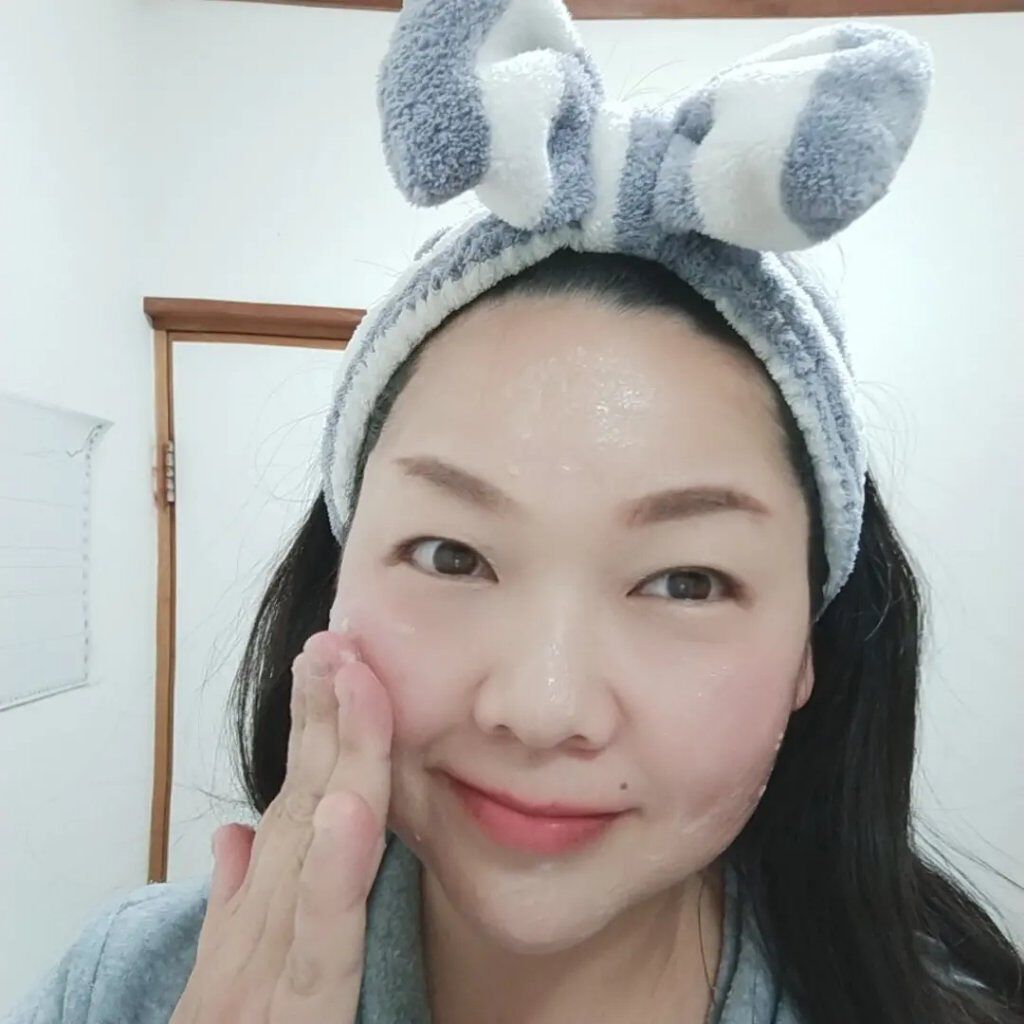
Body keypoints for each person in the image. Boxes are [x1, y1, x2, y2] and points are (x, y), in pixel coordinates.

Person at [6, 1, 1022, 1022]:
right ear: (338, 578)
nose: (542, 708)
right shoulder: (124, 986)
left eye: (686, 581)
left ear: (810, 647)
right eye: (452, 555)